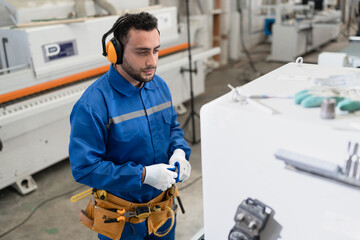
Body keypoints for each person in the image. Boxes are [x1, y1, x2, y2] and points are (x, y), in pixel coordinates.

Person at [69, 12, 191, 240]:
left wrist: (179, 152)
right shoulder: (93, 105)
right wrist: (143, 175)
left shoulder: (159, 86)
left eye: (156, 50)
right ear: (115, 52)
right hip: (121, 222)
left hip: (163, 213)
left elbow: (172, 128)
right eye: (142, 52)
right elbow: (84, 168)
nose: (152, 61)